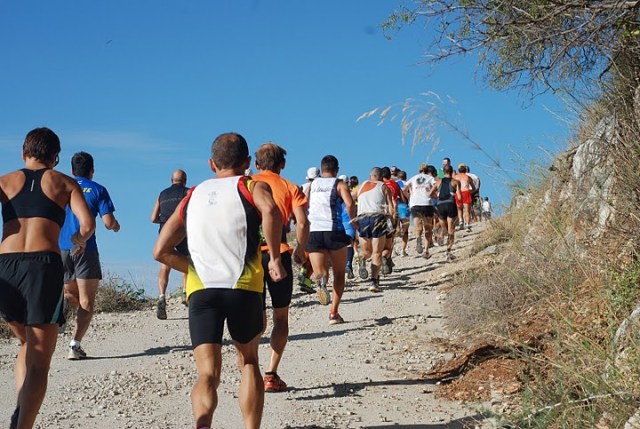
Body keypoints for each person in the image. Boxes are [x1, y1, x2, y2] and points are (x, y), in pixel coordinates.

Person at [153, 132, 286, 429]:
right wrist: (275, 257)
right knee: (248, 362)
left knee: (207, 373)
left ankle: (203, 425)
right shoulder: (252, 186)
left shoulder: (193, 194)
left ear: (212, 164)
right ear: (247, 162)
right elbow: (271, 210)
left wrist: (193, 269)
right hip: (243, 286)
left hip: (202, 291)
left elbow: (160, 250)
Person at [0, 127, 95, 429]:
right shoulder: (64, 182)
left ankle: (20, 408)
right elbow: (88, 224)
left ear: (23, 153)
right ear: (55, 157)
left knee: (25, 342)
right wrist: (78, 241)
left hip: (6, 265)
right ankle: (22, 423)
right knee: (40, 362)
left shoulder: (4, 181)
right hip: (43, 265)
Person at [253, 142, 309, 393]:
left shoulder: (247, 184)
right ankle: (271, 374)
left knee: (255, 317)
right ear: (283, 164)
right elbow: (303, 222)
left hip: (251, 256)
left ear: (256, 164)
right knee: (281, 316)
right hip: (280, 253)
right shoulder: (290, 187)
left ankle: (249, 369)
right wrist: (300, 250)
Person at [60, 152, 121, 360]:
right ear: (92, 171)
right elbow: (108, 222)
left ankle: (60, 311)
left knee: (70, 295)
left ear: (72, 170)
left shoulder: (61, 188)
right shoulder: (98, 189)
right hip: (86, 248)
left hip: (61, 247)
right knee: (87, 301)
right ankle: (74, 345)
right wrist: (116, 226)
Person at [306, 155, 357, 324]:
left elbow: (304, 203)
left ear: (321, 170)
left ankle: (321, 282)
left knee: (321, 271)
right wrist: (353, 221)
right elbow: (349, 204)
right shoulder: (340, 184)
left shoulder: (312, 184)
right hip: (334, 230)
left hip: (314, 231)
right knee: (339, 273)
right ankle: (334, 312)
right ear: (337, 170)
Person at [150, 169, 189, 319]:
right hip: (182, 231)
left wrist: (165, 221)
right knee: (185, 260)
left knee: (164, 267)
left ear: (171, 180)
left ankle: (161, 296)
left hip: (164, 232)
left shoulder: (162, 194)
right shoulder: (187, 192)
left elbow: (153, 218)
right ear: (185, 180)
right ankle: (185, 292)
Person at [354, 167, 394, 292]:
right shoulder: (383, 187)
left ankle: (361, 258)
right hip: (378, 218)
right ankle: (373, 282)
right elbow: (391, 207)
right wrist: (392, 223)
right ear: (381, 177)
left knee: (366, 251)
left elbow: (349, 199)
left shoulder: (360, 186)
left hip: (362, 218)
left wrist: (353, 217)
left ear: (370, 176)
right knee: (377, 252)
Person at [404, 164, 437, 258]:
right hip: (427, 203)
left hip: (415, 203)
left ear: (419, 170)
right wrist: (431, 192)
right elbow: (436, 185)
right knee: (428, 228)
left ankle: (418, 238)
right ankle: (426, 250)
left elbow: (404, 188)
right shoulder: (430, 178)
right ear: (427, 170)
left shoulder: (413, 178)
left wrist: (409, 196)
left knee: (417, 225)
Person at [431, 165, 462, 261]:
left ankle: (441, 235)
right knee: (451, 229)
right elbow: (459, 197)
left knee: (443, 226)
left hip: (440, 204)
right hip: (450, 203)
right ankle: (448, 252)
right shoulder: (456, 182)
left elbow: (430, 193)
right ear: (452, 172)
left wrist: (437, 196)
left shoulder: (438, 182)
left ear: (443, 172)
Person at [380, 166, 401, 273]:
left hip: (379, 215)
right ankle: (387, 257)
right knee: (390, 239)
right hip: (391, 214)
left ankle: (383, 258)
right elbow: (399, 198)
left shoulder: (379, 186)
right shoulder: (395, 184)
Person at [454, 164, 476, 232]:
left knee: (459, 208)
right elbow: (474, 188)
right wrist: (470, 192)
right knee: (467, 210)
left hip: (458, 192)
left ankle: (461, 221)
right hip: (466, 192)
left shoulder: (455, 177)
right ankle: (467, 224)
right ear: (465, 170)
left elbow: (452, 186)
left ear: (458, 170)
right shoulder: (468, 177)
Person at [395, 171, 410, 256]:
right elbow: (409, 194)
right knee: (405, 230)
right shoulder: (407, 184)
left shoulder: (394, 183)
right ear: (405, 177)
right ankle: (403, 250)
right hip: (404, 206)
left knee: (393, 231)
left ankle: (393, 249)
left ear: (397, 177)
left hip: (394, 206)